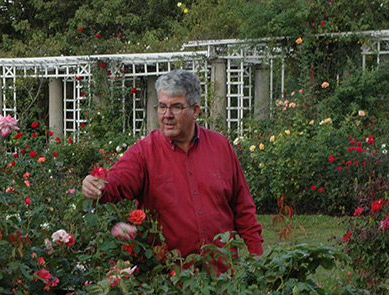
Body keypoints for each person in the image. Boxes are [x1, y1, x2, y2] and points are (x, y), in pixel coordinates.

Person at [81, 69, 263, 262]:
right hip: (170, 274)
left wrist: (258, 259)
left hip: (221, 271)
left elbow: (243, 208)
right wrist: (99, 186)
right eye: (162, 106)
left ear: (195, 111)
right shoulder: (144, 152)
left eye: (176, 107)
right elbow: (119, 179)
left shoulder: (220, 147)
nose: (167, 115)